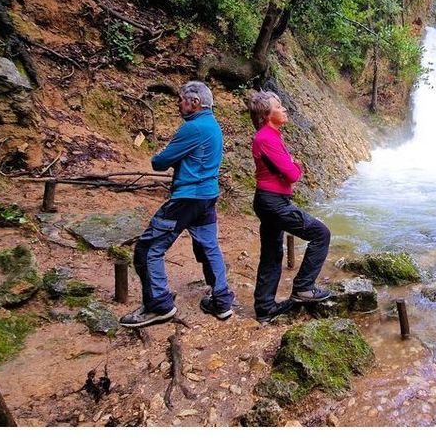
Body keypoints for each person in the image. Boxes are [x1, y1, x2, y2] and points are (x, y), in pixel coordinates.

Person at [120, 81, 235, 328]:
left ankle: (158, 306)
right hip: (207, 195)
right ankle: (222, 301)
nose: (178, 104)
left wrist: (157, 156)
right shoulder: (213, 125)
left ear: (195, 102)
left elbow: (160, 162)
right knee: (209, 246)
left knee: (149, 247)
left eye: (181, 99)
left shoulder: (193, 128)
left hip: (187, 198)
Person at [248, 91, 332, 322]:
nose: (284, 109)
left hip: (270, 200)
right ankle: (303, 287)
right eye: (279, 107)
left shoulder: (271, 135)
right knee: (320, 233)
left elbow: (288, 170)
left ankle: (265, 308)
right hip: (273, 201)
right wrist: (296, 165)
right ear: (267, 114)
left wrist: (293, 165)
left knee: (272, 253)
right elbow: (292, 174)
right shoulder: (266, 138)